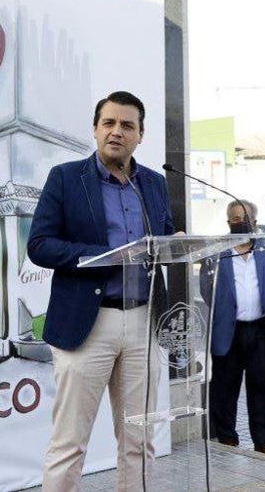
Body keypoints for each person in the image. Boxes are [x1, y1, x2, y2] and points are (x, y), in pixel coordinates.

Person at [28, 91, 175, 491]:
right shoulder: (65, 178)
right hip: (87, 326)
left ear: (140, 135)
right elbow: (39, 245)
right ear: (95, 129)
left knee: (138, 439)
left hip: (143, 322)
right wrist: (105, 256)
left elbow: (164, 241)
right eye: (109, 123)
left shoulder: (155, 184)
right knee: (69, 443)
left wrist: (175, 244)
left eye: (127, 125)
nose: (117, 131)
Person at [200, 199, 265, 455]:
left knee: (263, 387)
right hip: (229, 328)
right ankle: (226, 436)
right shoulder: (216, 249)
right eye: (234, 218)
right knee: (225, 386)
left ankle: (264, 441)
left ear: (254, 222)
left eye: (244, 217)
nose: (240, 221)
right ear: (228, 222)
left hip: (261, 328)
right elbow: (206, 288)